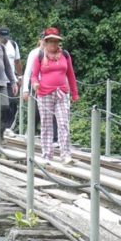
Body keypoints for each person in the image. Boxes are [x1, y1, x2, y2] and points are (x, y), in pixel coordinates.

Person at [30, 27, 78, 165]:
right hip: (44, 93)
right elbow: (34, 75)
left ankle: (66, 155)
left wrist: (74, 93)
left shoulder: (65, 55)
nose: (53, 44)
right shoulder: (39, 56)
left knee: (63, 123)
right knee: (46, 124)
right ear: (45, 42)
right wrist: (35, 84)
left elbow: (70, 74)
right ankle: (47, 155)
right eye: (50, 41)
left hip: (62, 92)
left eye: (55, 41)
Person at [22, 31, 58, 144]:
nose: (44, 42)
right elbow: (28, 72)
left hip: (52, 86)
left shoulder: (54, 53)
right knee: (36, 112)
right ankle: (31, 133)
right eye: (43, 40)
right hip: (37, 86)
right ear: (39, 40)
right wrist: (25, 90)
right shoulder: (34, 53)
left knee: (54, 112)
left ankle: (55, 138)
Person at [0, 27, 23, 136]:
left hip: (11, 79)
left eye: (6, 37)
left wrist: (20, 76)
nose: (5, 39)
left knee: (12, 103)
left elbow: (17, 61)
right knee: (1, 105)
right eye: (3, 37)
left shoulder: (13, 44)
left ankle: (7, 127)